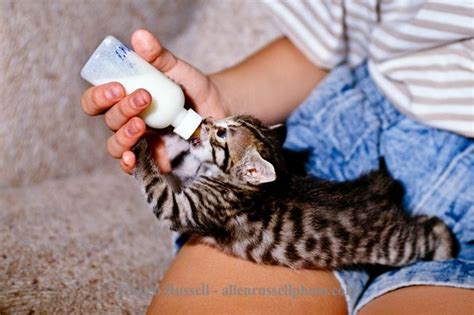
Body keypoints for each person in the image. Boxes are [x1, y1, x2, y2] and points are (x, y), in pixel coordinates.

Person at [81, 1, 473, 314]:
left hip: (452, 199)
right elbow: (317, 45)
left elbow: (173, 209)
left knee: (400, 245)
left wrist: (146, 163)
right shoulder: (241, 179)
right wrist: (217, 96)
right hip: (346, 130)